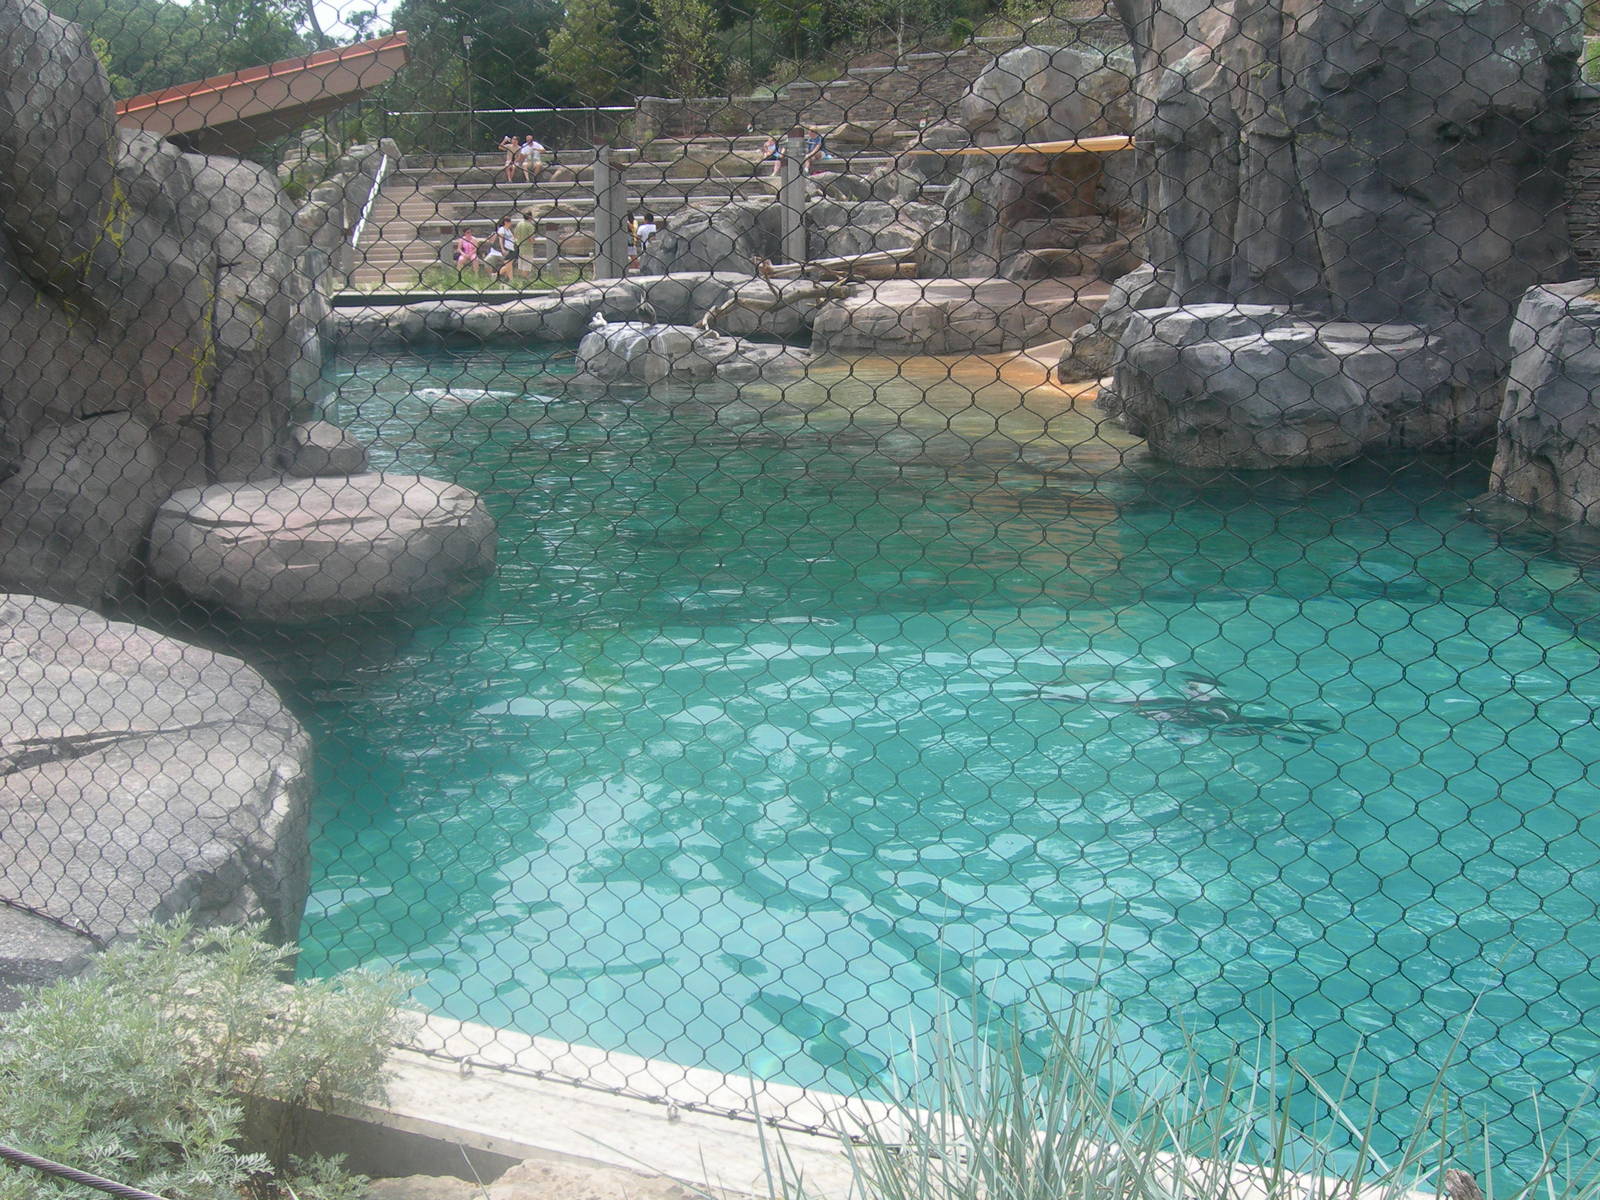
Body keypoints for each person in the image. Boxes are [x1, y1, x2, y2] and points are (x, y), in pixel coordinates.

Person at [493, 215, 519, 280]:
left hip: (512, 249)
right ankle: (511, 279)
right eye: (509, 222)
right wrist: (502, 249)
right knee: (508, 265)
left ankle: (496, 275)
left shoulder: (509, 230)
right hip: (506, 248)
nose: (510, 223)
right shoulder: (502, 229)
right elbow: (501, 240)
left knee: (509, 265)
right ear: (505, 222)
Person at [514, 210, 539, 276]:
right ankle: (524, 280)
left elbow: (515, 235)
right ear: (530, 217)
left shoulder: (519, 224)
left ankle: (521, 280)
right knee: (527, 266)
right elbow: (531, 239)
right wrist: (534, 241)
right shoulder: (530, 226)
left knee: (521, 266)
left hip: (519, 247)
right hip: (527, 248)